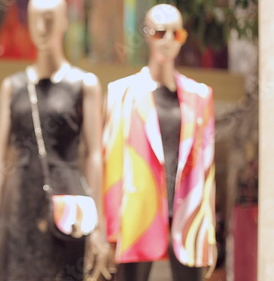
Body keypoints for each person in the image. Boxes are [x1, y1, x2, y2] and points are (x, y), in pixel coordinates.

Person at [0, 0, 106, 280]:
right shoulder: (14, 86)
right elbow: (0, 155)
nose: (41, 27)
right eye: (36, 19)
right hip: (20, 203)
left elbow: (95, 154)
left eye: (50, 18)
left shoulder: (84, 84)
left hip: (67, 201)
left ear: (64, 22)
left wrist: (98, 226)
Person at [102, 4, 216, 281]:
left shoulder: (200, 96)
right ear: (147, 34)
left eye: (176, 34)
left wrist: (208, 230)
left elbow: (207, 168)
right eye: (160, 33)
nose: (167, 41)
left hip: (187, 214)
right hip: (139, 212)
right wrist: (110, 231)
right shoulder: (122, 93)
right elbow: (112, 165)